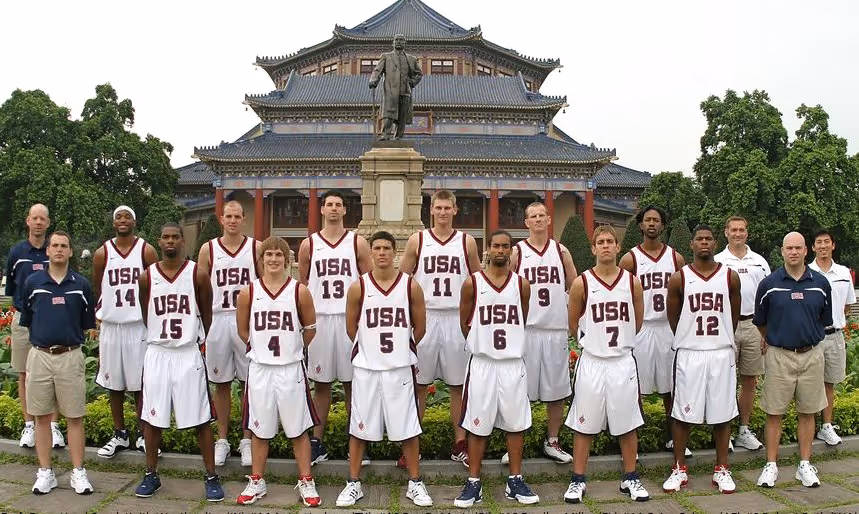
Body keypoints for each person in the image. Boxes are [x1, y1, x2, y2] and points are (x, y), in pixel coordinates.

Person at [335, 232, 433, 508]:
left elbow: (420, 327)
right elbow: (350, 327)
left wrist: (402, 347)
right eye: (376, 248)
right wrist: (369, 349)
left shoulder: (410, 286)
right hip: (367, 368)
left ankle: (415, 483)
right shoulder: (359, 287)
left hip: (399, 368)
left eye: (386, 248)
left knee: (408, 429)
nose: (381, 253)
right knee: (358, 427)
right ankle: (353, 483)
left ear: (395, 252)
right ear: (371, 252)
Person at [134, 223, 224, 502]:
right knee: (152, 419)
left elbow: (206, 313)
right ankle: (151, 474)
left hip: (187, 353)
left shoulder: (197, 272)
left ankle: (211, 475)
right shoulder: (147, 277)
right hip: (159, 352)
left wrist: (197, 342)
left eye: (175, 237)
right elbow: (145, 311)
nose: (170, 241)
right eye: (166, 237)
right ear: (159, 242)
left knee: (201, 420)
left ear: (183, 241)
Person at [563, 225, 648, 504]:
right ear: (593, 248)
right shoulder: (582, 283)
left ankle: (631, 477)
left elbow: (637, 320)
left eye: (611, 241)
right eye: (601, 242)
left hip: (622, 361)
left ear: (618, 246)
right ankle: (577, 480)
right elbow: (574, 324)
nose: (606, 246)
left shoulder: (632, 281)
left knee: (627, 423)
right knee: (583, 423)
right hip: (593, 362)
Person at [454, 230, 539, 508]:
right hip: (483, 363)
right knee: (478, 426)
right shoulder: (472, 283)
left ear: (512, 250)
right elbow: (465, 321)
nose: (500, 250)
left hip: (512, 364)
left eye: (505, 246)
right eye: (495, 246)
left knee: (515, 425)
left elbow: (522, 317)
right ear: (487, 249)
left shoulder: (522, 284)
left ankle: (515, 479)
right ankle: (473, 482)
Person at [235, 237, 321, 507]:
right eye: (268, 254)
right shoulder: (249, 292)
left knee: (298, 430)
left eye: (278, 255)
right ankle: (257, 480)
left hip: (290, 369)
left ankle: (306, 480)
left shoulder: (300, 291)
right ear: (261, 259)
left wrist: (291, 349)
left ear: (288, 259)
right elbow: (243, 331)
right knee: (260, 430)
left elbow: (310, 330)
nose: (273, 259)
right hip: (261, 369)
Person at [398, 190, 481, 468]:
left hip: (456, 318)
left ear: (455, 210)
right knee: (419, 386)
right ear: (430, 210)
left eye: (448, 208)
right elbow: (402, 281)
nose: (443, 212)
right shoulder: (417, 240)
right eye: (438, 207)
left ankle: (460, 443)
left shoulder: (466, 241)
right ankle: (412, 446)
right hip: (427, 316)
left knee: (457, 385)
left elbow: (477, 281)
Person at [662, 225, 741, 494]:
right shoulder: (679, 278)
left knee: (722, 414)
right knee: (682, 413)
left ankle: (722, 469)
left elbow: (733, 315)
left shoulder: (730, 277)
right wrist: (689, 338)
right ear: (692, 245)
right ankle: (679, 468)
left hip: (720, 351)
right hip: (690, 353)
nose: (704, 243)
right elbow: (673, 318)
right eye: (699, 239)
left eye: (709, 238)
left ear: (715, 243)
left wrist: (720, 339)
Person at [298, 190, 372, 465]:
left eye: (338, 205)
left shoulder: (357, 243)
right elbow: (304, 283)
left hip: (348, 319)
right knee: (322, 384)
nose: (333, 209)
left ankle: (358, 439)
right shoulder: (309, 244)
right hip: (320, 319)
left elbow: (368, 283)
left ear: (344, 211)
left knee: (354, 383)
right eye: (329, 204)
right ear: (322, 209)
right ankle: (318, 442)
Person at [754, 232, 832, 488]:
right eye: (789, 248)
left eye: (798, 247)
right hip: (779, 355)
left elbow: (823, 319)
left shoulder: (820, 283)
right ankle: (771, 465)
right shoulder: (769, 284)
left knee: (808, 412)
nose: (794, 252)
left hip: (811, 355)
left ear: (805, 251)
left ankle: (804, 465)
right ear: (782, 250)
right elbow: (761, 322)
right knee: (774, 412)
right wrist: (779, 339)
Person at [20, 230, 95, 495]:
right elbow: (27, 319)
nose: (59, 249)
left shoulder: (81, 285)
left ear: (71, 251)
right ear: (48, 251)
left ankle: (78, 472)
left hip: (70, 356)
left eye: (64, 245)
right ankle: (45, 473)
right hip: (40, 356)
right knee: (41, 417)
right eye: (55, 245)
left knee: (75, 417)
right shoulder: (32, 283)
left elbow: (86, 324)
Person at [509, 201, 577, 465]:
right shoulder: (517, 252)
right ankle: (517, 442)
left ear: (549, 220)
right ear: (526, 222)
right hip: (526, 330)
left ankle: (552, 441)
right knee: (520, 389)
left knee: (557, 390)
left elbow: (575, 285)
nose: (537, 220)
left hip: (555, 329)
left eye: (541, 215)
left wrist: (575, 322)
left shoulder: (561, 252)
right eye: (532, 216)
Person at [618, 206, 688, 457]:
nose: (651, 224)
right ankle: (635, 440)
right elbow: (620, 294)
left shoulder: (676, 258)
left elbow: (683, 295)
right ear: (640, 225)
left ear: (663, 225)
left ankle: (673, 437)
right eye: (647, 220)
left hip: (667, 328)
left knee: (672, 386)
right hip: (642, 328)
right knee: (634, 386)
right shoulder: (630, 259)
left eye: (656, 220)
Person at [93, 206, 159, 458]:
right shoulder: (102, 253)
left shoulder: (146, 250)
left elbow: (156, 283)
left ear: (135, 220)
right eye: (118, 217)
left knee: (140, 383)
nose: (123, 220)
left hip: (137, 326)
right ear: (113, 223)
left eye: (127, 216)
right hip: (112, 326)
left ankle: (144, 434)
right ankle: (119, 434)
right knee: (114, 383)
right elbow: (98, 287)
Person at [197, 200, 258, 467]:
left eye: (237, 216)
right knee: (221, 383)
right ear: (221, 219)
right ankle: (222, 439)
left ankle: (246, 438)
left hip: (246, 318)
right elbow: (199, 287)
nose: (233, 221)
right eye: (228, 216)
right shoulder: (208, 248)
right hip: (218, 318)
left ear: (244, 219)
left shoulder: (255, 247)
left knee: (249, 383)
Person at [4, 203, 65, 449]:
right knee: (24, 373)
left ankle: (53, 427)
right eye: (35, 218)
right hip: (23, 320)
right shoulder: (16, 252)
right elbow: (11, 290)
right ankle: (29, 425)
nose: (39, 222)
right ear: (28, 221)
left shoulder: (54, 251)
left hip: (51, 321)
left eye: (43, 219)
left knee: (56, 374)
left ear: (48, 223)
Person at [714, 216, 770, 451]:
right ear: (726, 233)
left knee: (750, 379)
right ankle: (723, 431)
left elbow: (770, 299)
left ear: (747, 233)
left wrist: (767, 331)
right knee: (724, 380)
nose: (738, 233)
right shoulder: (717, 262)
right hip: (726, 326)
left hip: (753, 326)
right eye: (733, 230)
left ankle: (744, 430)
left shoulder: (760, 262)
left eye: (742, 230)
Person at [809, 229, 856, 445]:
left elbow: (846, 307)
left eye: (827, 242)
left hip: (835, 335)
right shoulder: (807, 272)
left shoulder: (843, 273)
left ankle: (826, 426)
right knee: (810, 383)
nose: (823, 246)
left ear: (833, 245)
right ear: (813, 247)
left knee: (829, 383)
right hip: (813, 337)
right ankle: (808, 426)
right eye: (819, 242)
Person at [368, 34, 423, 140]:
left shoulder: (411, 59)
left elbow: (419, 74)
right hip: (390, 90)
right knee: (389, 114)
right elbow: (377, 70)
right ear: (393, 43)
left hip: (405, 91)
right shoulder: (386, 56)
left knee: (402, 116)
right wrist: (373, 80)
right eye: (396, 40)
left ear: (404, 43)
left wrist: (412, 82)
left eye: (401, 40)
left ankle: (399, 136)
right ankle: (385, 135)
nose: (399, 42)